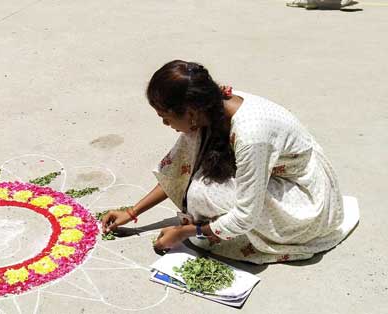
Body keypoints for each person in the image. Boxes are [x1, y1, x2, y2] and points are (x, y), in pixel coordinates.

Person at [101, 60, 358, 264]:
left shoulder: (250, 135)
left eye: (165, 117)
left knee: (203, 196)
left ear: (189, 113)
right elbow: (179, 170)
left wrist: (186, 233)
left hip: (299, 193)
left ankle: (225, 232)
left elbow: (246, 216)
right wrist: (132, 212)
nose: (165, 124)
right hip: (269, 172)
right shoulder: (208, 108)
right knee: (197, 187)